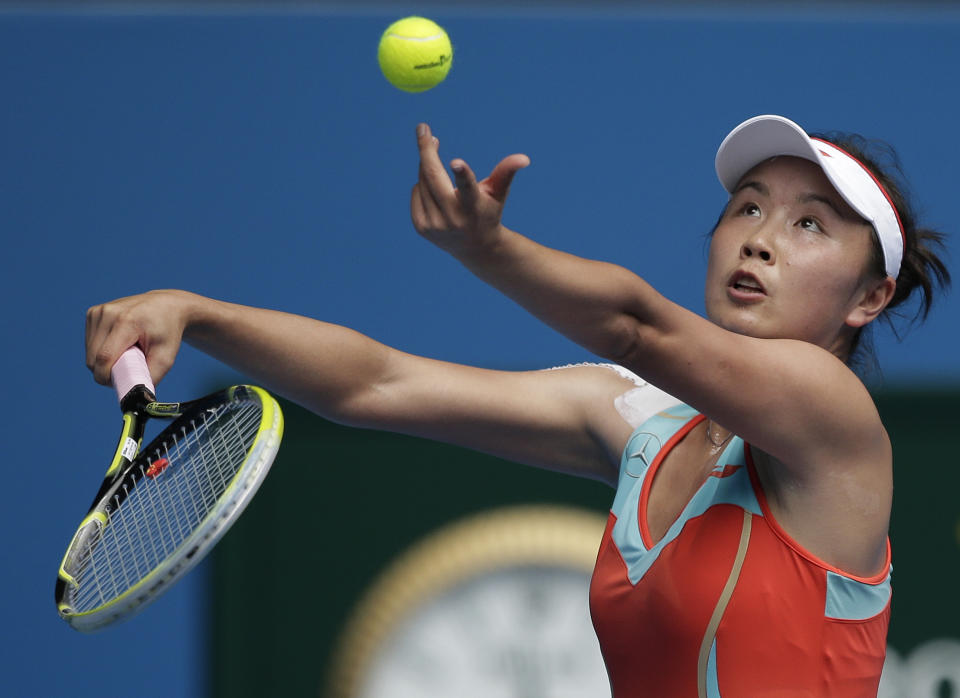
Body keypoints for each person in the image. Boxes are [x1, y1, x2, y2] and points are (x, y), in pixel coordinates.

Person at [85, 115, 949, 696]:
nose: (759, 235)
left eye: (810, 225)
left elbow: (635, 327)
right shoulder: (639, 425)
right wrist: (198, 313)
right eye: (747, 207)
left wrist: (490, 250)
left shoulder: (832, 420)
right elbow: (377, 383)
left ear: (867, 299)